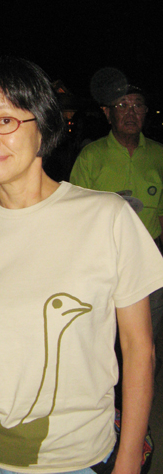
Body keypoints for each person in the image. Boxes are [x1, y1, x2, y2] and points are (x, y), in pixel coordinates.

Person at [0, 56, 163, 474]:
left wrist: (125, 471)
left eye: (5, 120)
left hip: (74, 469)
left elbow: (139, 348)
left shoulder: (107, 218)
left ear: (44, 127)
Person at [70, 71, 163, 369]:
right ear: (107, 113)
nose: (131, 112)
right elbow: (75, 215)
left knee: (146, 338)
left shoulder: (159, 155)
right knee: (102, 335)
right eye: (122, 105)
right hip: (103, 256)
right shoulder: (91, 155)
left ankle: (140, 391)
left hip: (150, 256)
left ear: (146, 112)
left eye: (138, 105)